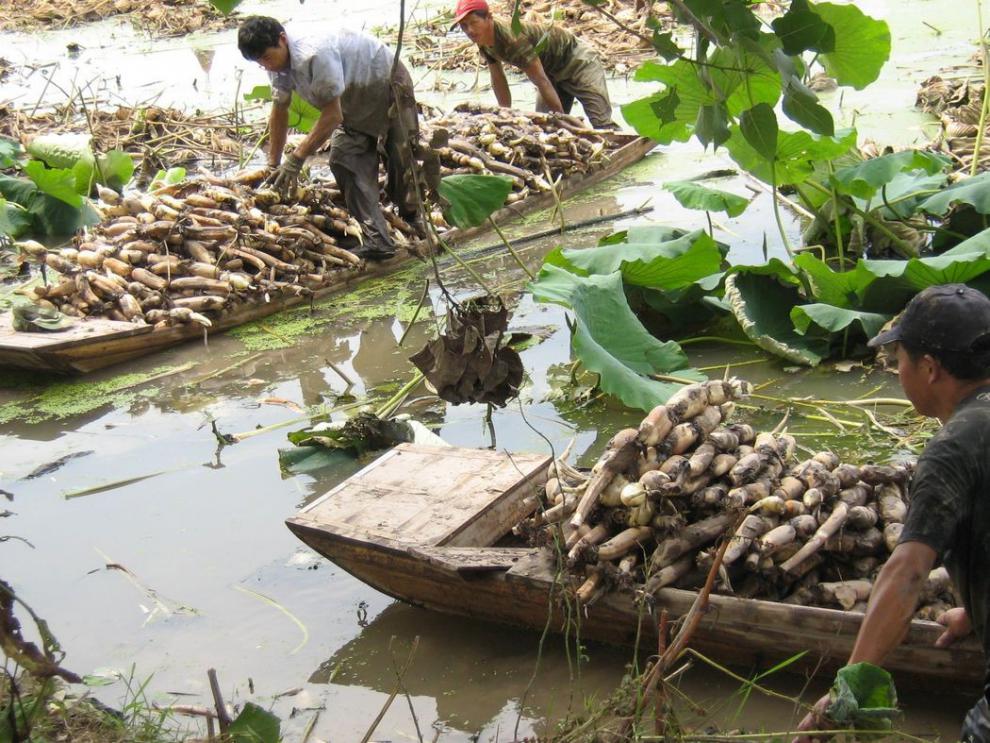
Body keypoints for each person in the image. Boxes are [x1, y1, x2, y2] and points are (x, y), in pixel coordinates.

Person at [794, 284, 990, 743]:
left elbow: (906, 575)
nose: (896, 371)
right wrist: (979, 612)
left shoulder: (955, 448)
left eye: (899, 358)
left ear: (929, 368)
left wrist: (848, 692)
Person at [237, 15, 420, 260]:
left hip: (384, 81)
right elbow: (280, 109)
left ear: (282, 40)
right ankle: (379, 239)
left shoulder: (313, 53)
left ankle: (414, 222)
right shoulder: (275, 64)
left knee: (401, 159)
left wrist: (297, 157)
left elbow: (333, 115)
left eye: (267, 58)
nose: (266, 66)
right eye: (259, 62)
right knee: (344, 159)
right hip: (351, 99)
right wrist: (273, 163)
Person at [451, 0, 615, 130]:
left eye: (474, 22)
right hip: (550, 73)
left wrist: (562, 123)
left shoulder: (512, 39)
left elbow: (540, 81)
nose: (470, 30)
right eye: (464, 26)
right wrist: (504, 116)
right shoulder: (482, 39)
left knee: (601, 123)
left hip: (577, 62)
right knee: (545, 127)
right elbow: (498, 78)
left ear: (489, 17)